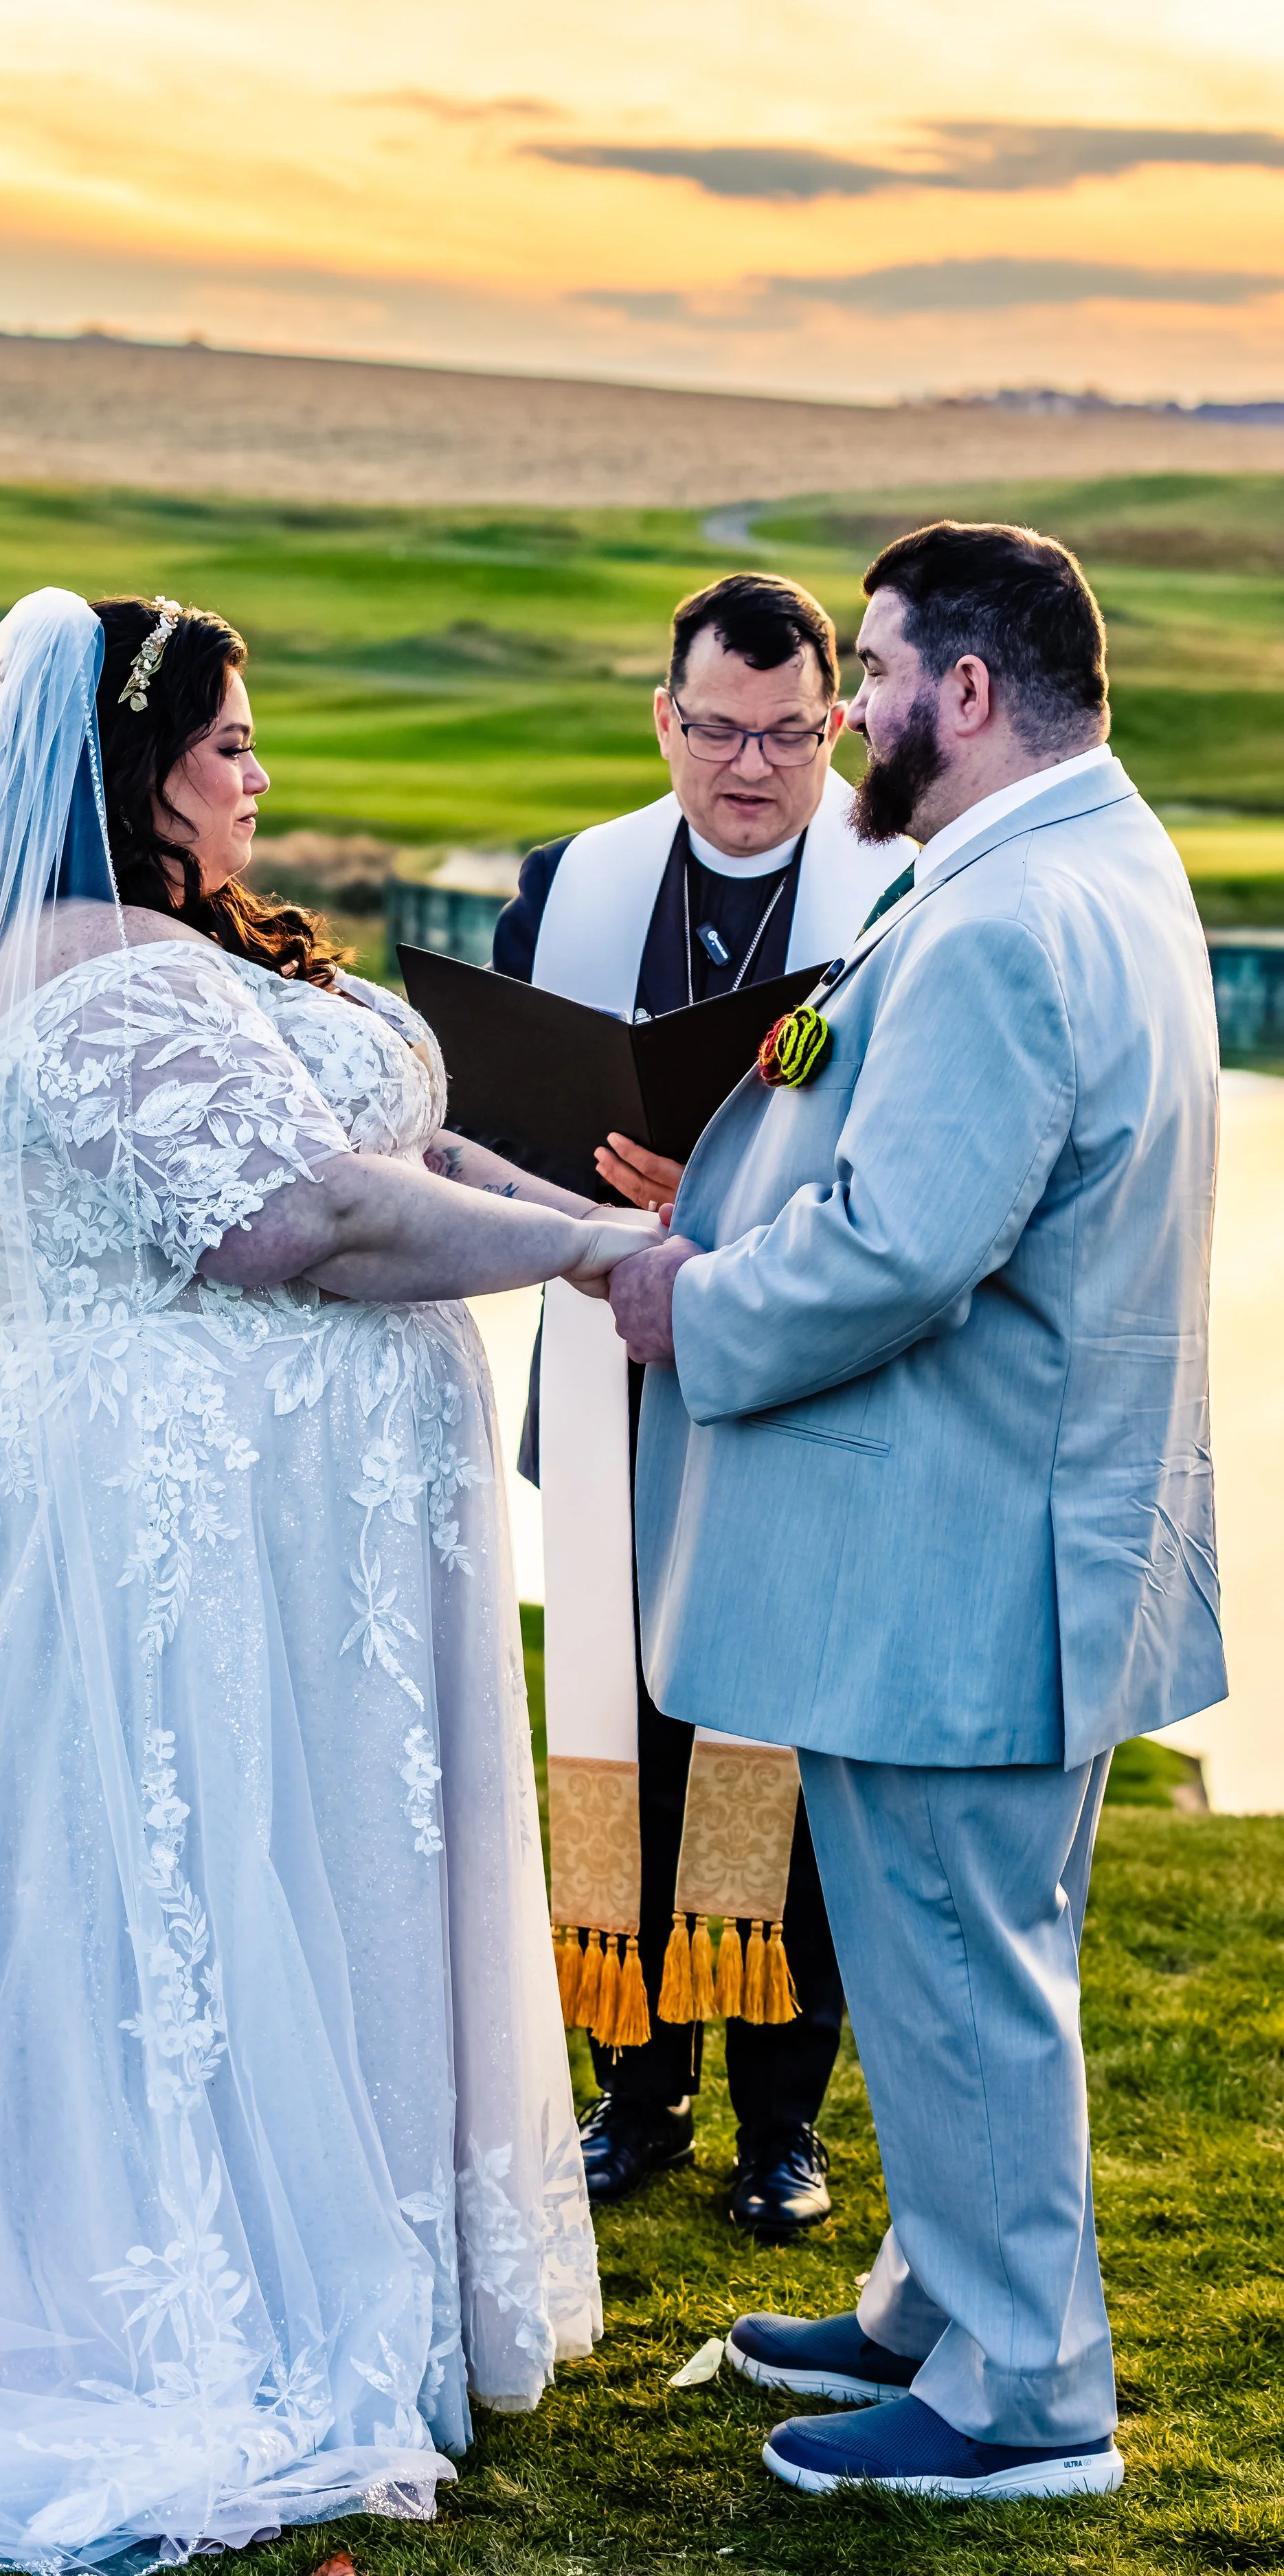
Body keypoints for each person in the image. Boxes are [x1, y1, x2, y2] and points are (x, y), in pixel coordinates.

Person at [0, 589, 651, 2567]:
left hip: (284, 1537)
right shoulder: (88, 979)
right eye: (228, 743)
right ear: (128, 768)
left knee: (297, 1876)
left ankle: (338, 2244)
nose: (258, 777)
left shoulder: (203, 951)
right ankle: (150, 2277)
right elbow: (296, 1213)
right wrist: (588, 1268)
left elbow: (401, 1136)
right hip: (154, 1530)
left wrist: (590, 1212)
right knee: (168, 1887)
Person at [609, 522, 1225, 2500]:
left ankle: (1024, 2395)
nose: (847, 705)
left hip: (961, 1549)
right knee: (973, 1944)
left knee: (959, 1962)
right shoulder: (1088, 861)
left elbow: (899, 1246)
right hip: (1028, 1530)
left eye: (868, 667)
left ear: (964, 690)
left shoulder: (1003, 921)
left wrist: (682, 1293)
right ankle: (935, 2296)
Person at [484, 574, 910, 2231]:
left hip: (787, 1371)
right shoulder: (568, 884)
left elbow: (903, 1160)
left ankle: (779, 2128)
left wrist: (716, 1186)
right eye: (717, 729)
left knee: (781, 1738)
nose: (750, 766)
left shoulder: (900, 893)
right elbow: (499, 1114)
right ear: (662, 719)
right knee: (625, 1722)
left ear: (835, 724)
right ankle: (634, 2091)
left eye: (789, 732)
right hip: (606, 1372)